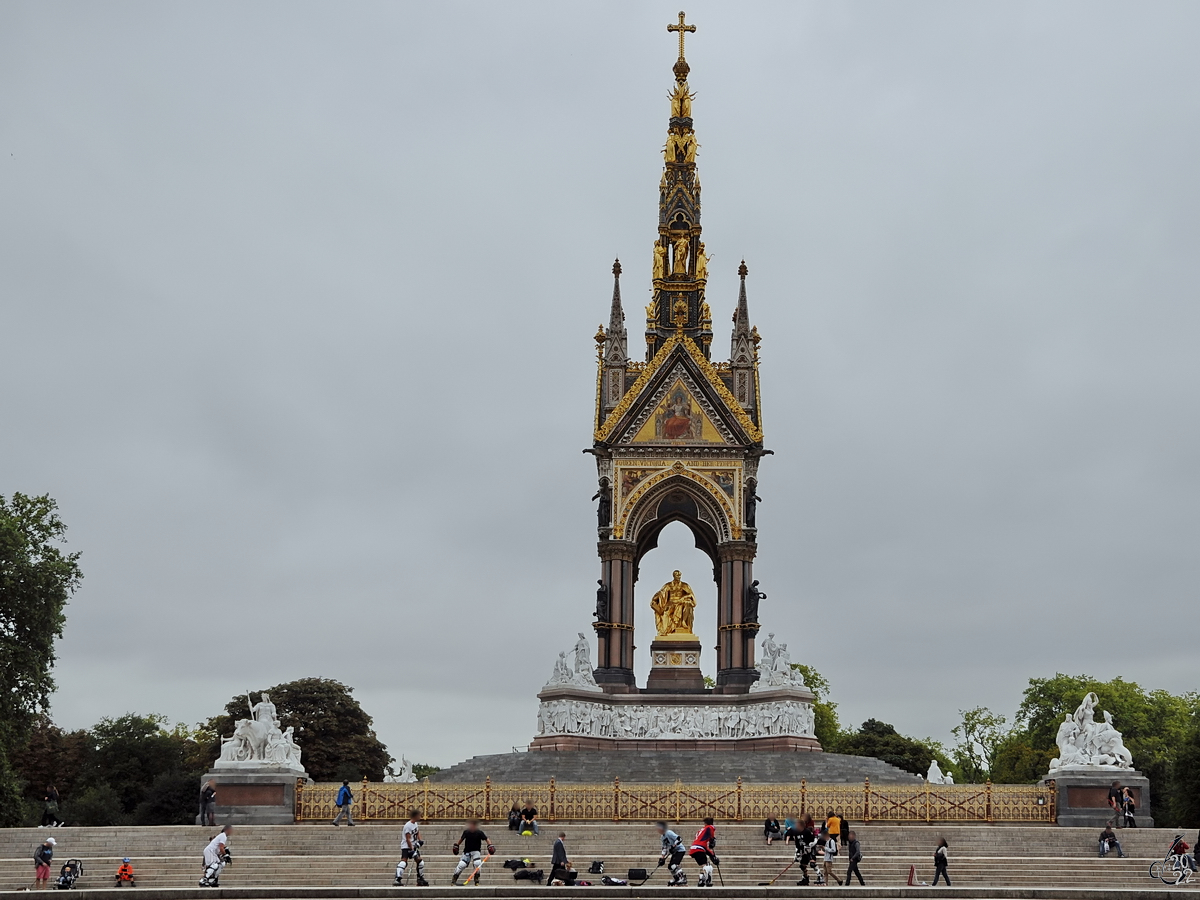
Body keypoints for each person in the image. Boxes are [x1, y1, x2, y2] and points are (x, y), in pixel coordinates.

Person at [450, 820, 495, 886]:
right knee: (461, 864)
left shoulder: (479, 832)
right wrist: (457, 845)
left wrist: (490, 845)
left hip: (476, 851)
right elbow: (461, 839)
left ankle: (476, 880)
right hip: (467, 851)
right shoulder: (466, 832)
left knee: (477, 863)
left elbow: (486, 839)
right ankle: (454, 879)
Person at [394, 809, 428, 886]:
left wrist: (420, 840)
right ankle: (397, 879)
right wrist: (412, 848)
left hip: (414, 846)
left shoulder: (415, 824)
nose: (420, 817)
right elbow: (408, 839)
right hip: (406, 847)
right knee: (403, 862)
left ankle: (420, 879)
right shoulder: (408, 826)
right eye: (419, 815)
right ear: (415, 816)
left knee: (420, 862)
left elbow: (417, 832)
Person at [786, 815, 817, 886]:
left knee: (813, 864)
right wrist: (797, 854)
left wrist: (809, 846)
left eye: (797, 825)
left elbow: (814, 840)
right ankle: (805, 878)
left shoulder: (807, 832)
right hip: (802, 851)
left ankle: (820, 877)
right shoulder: (796, 833)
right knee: (802, 866)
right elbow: (797, 844)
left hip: (809, 850)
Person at [688, 817, 718, 887]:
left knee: (705, 865)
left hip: (694, 848)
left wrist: (712, 856)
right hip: (699, 848)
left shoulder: (700, 831)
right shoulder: (710, 827)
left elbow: (705, 847)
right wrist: (712, 840)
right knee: (707, 866)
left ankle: (702, 879)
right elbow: (711, 834)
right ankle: (708, 880)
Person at [656, 821, 688, 886]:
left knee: (674, 865)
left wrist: (673, 846)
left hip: (680, 850)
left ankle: (682, 878)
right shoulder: (662, 837)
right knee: (670, 866)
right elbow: (664, 848)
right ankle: (676, 878)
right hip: (675, 851)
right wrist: (662, 858)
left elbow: (679, 839)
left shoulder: (669, 833)